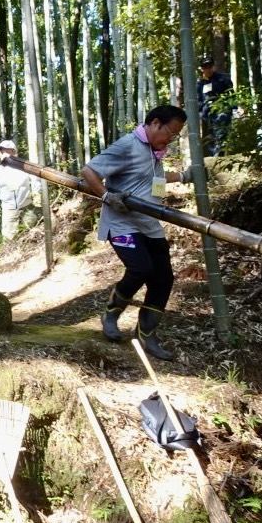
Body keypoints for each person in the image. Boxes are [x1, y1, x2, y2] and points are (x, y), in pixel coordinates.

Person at [81, 105, 194, 362]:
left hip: (149, 225)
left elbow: (150, 178)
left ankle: (146, 334)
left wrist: (184, 176)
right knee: (141, 268)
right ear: (154, 123)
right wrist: (107, 195)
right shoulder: (128, 145)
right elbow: (89, 170)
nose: (171, 139)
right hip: (122, 225)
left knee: (163, 278)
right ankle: (111, 313)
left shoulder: (153, 151)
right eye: (171, 132)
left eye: (176, 135)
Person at [0, 139, 38, 240]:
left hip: (27, 207)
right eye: (1, 151)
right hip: (8, 210)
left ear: (14, 151)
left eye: (6, 151)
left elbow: (36, 181)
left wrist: (38, 196)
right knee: (9, 240)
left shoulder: (24, 166)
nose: (2, 154)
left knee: (31, 237)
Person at [196, 56, 233, 156]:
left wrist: (235, 107)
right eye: (205, 67)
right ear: (201, 68)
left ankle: (219, 157)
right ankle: (215, 158)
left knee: (221, 134)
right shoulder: (200, 84)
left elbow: (231, 95)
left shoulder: (223, 79)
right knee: (211, 138)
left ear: (213, 66)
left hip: (222, 111)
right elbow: (199, 100)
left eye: (209, 66)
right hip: (208, 115)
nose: (207, 69)